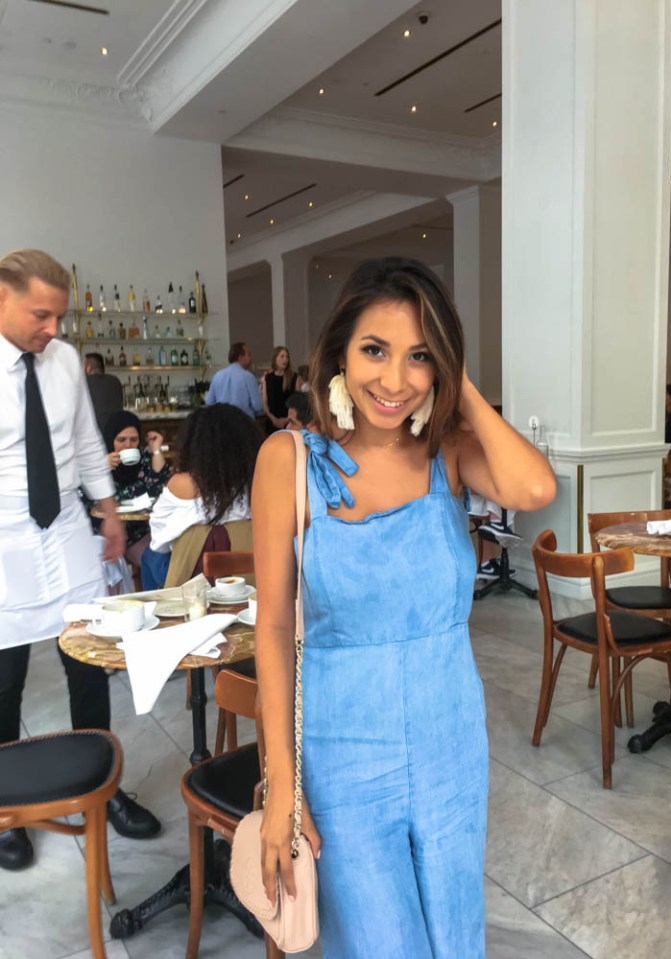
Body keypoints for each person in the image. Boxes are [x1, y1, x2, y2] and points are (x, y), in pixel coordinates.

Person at [252, 257, 556, 957]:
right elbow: (271, 627)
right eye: (375, 350)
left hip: (453, 742)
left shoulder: (446, 454)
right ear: (339, 352)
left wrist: (459, 385)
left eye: (420, 356)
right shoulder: (290, 462)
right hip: (343, 751)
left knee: (456, 937)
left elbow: (535, 488)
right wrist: (282, 784)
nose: (395, 380)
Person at [0, 249, 160, 872]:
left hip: (66, 523)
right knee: (4, 680)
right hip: (4, 534)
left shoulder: (64, 361)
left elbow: (89, 446)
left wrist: (111, 514)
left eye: (59, 317)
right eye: (41, 315)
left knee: (89, 664)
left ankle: (105, 787)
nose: (54, 329)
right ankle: (7, 809)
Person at [141, 403, 263, 589]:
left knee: (149, 555)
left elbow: (159, 538)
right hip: (249, 574)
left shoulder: (182, 484)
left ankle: (155, 604)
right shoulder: (257, 482)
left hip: (190, 578)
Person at [100, 410, 170, 569]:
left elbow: (159, 490)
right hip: (107, 533)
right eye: (121, 440)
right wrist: (100, 469)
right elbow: (88, 502)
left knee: (159, 562)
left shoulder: (144, 460)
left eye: (134, 439)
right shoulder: (97, 462)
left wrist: (156, 451)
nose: (128, 445)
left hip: (139, 531)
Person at [205, 341, 263, 418]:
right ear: (240, 357)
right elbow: (258, 406)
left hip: (222, 421)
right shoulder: (248, 377)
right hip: (244, 421)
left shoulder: (217, 376)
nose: (250, 358)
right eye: (248, 355)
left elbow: (209, 402)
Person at [261, 345, 298, 434]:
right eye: (282, 356)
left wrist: (287, 419)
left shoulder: (293, 377)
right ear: (275, 358)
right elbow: (265, 402)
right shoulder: (268, 378)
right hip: (272, 421)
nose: (285, 360)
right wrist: (273, 419)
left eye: (287, 357)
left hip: (289, 422)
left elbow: (297, 402)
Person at [84, 351, 123, 432]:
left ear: (89, 368)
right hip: (115, 431)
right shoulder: (115, 381)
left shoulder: (84, 383)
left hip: (94, 433)